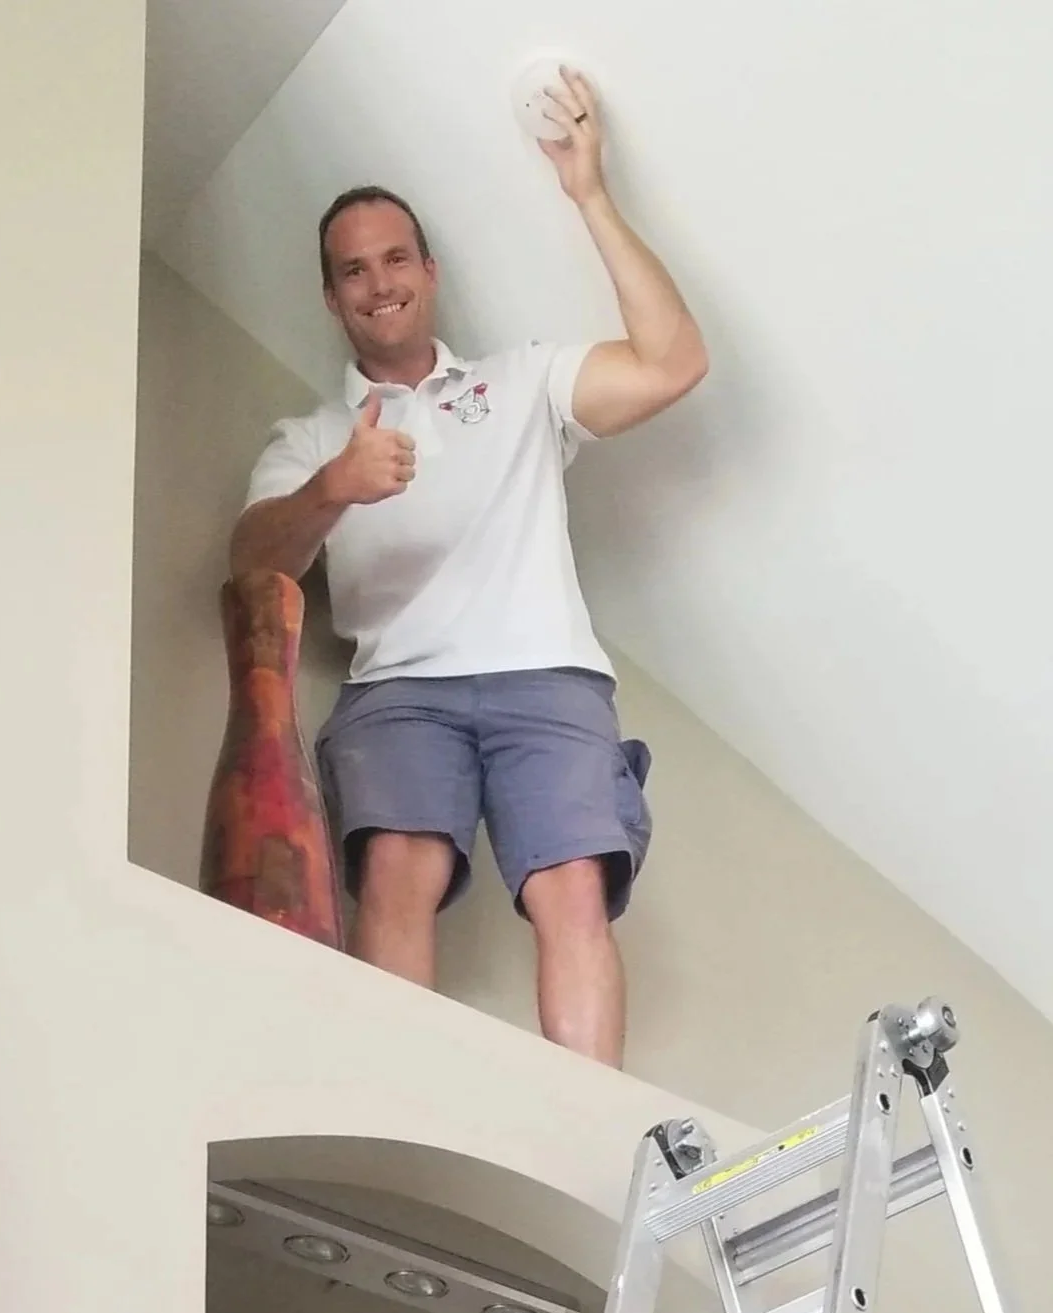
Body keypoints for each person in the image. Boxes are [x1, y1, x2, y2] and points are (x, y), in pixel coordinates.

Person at [230, 70, 706, 1067]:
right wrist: (337, 485)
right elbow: (251, 568)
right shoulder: (310, 435)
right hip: (400, 691)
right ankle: (394, 1107)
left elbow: (671, 364)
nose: (377, 281)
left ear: (429, 270)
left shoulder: (520, 379)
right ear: (330, 295)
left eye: (394, 257)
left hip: (548, 675)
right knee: (398, 867)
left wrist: (589, 195)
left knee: (571, 882)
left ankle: (584, 1125)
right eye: (352, 269)